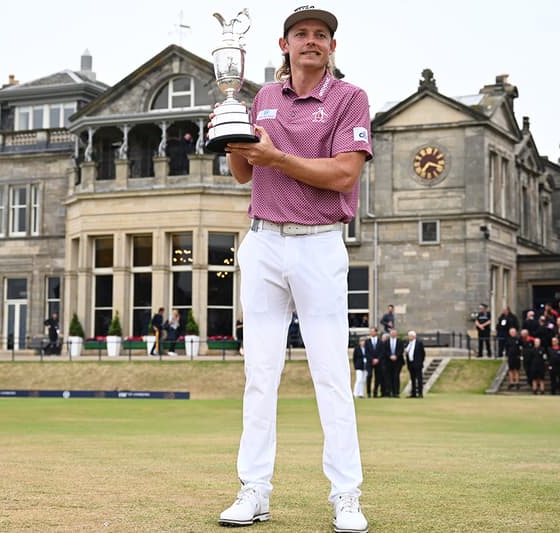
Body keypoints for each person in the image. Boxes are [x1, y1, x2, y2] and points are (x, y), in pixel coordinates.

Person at [216, 7, 371, 530]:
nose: (311, 41)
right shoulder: (259, 98)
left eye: (321, 35)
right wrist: (229, 127)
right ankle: (253, 490)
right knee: (259, 375)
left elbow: (344, 175)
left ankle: (346, 495)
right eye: (301, 34)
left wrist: (277, 157)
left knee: (330, 374)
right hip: (262, 242)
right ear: (283, 44)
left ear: (331, 46)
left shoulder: (350, 98)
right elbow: (242, 172)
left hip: (319, 244)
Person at [381, 329, 405, 398]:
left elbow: (401, 350)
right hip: (388, 362)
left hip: (397, 362)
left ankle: (396, 392)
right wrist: (390, 356)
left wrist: (396, 356)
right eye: (392, 333)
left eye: (394, 333)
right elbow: (385, 351)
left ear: (396, 334)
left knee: (396, 377)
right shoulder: (386, 342)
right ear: (390, 334)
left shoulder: (400, 342)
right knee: (388, 377)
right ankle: (389, 392)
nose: (393, 334)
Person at [405, 331, 425, 398]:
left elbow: (423, 353)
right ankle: (413, 393)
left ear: (414, 336)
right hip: (410, 364)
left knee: (419, 379)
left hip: (417, 364)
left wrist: (420, 362)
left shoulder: (419, 343)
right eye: (408, 336)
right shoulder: (408, 343)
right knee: (412, 379)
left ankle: (420, 393)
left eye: (410, 336)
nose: (409, 337)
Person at [364, 327, 381, 398]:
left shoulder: (380, 342)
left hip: (378, 362)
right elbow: (367, 352)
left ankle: (375, 392)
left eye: (373, 331)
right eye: (370, 331)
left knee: (377, 377)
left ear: (376, 332)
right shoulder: (367, 342)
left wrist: (377, 359)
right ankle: (368, 393)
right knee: (369, 376)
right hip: (370, 362)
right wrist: (372, 359)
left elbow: (382, 352)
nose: (371, 333)